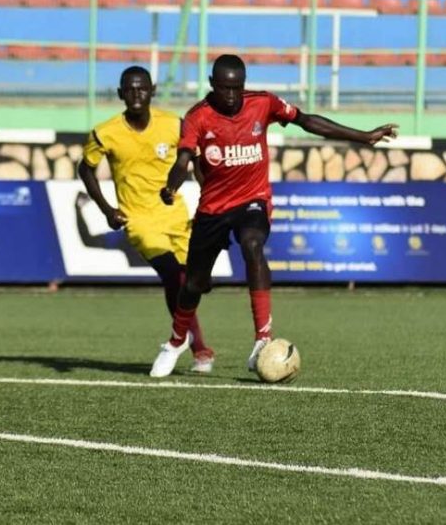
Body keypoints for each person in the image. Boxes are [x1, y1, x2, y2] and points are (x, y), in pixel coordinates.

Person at [150, 54, 398, 377]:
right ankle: (176, 340)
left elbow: (307, 121)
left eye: (236, 88)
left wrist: (363, 136)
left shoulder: (263, 103)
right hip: (213, 208)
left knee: (252, 244)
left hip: (253, 199)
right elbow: (184, 158)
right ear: (212, 84)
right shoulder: (198, 116)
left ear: (244, 85)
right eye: (224, 88)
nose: (230, 95)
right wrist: (172, 185)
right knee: (195, 283)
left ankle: (261, 339)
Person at [79, 66, 215, 373]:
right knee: (173, 276)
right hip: (138, 218)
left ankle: (196, 346)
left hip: (176, 216)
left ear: (152, 91)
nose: (136, 94)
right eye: (130, 89)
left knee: (194, 284)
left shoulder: (174, 124)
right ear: (120, 94)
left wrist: (210, 199)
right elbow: (85, 169)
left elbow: (196, 162)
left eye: (142, 88)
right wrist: (106, 209)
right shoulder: (106, 132)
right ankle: (193, 346)